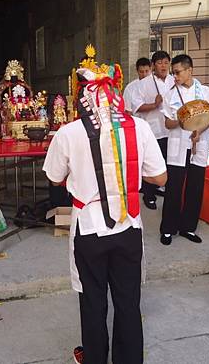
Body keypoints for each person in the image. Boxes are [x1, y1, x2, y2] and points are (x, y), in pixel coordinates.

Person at [43, 56, 167, 364]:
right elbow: (160, 177)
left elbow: (54, 177)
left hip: (89, 228)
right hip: (128, 225)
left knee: (93, 300)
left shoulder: (69, 133)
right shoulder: (137, 127)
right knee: (128, 300)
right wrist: (130, 173)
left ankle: (95, 357)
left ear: (80, 95)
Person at [159, 54, 209, 246]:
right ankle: (168, 229)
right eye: (173, 73)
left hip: (198, 144)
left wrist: (199, 131)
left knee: (195, 187)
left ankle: (188, 227)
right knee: (173, 188)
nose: (175, 76)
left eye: (178, 72)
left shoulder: (205, 92)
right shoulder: (170, 94)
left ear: (190, 70)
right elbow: (167, 122)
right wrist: (181, 123)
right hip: (178, 145)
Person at [131, 50, 174, 209]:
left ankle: (164, 189)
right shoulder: (143, 84)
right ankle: (148, 195)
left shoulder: (173, 80)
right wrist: (154, 105)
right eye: (159, 63)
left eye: (166, 62)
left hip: (172, 130)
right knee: (150, 164)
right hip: (153, 132)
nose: (163, 66)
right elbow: (137, 106)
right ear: (153, 66)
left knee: (169, 163)